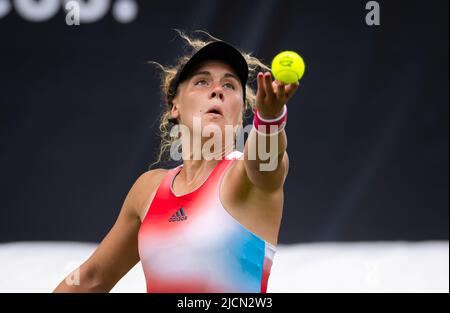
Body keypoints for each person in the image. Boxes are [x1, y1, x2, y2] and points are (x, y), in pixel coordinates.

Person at [53, 30, 299, 293]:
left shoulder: (247, 176)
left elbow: (266, 162)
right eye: (202, 82)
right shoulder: (147, 190)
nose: (217, 90)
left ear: (241, 114)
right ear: (175, 106)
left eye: (230, 85)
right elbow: (91, 279)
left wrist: (270, 119)